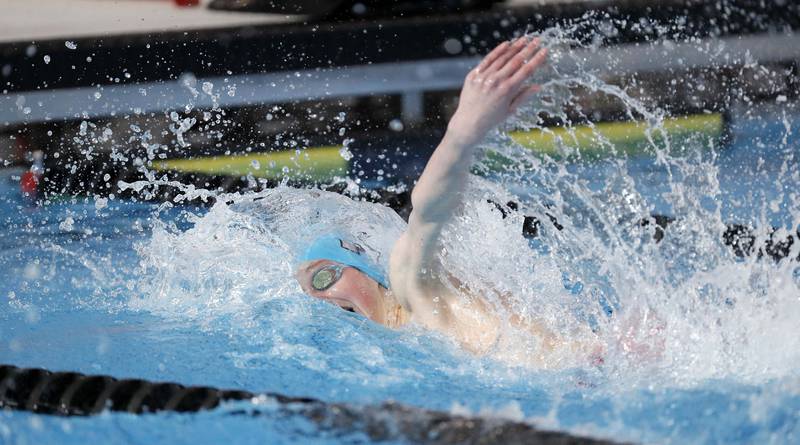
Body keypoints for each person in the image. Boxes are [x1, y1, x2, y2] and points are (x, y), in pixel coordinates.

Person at [295, 38, 608, 366]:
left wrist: (463, 130)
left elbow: (428, 210)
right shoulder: (405, 344)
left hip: (596, 362)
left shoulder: (412, 288)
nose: (324, 299)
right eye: (310, 298)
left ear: (361, 267)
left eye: (323, 278)